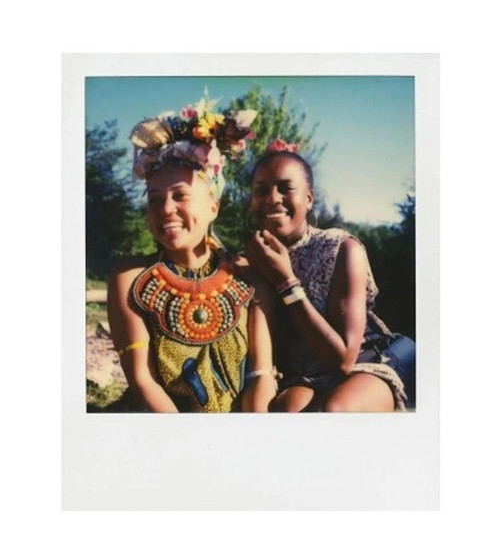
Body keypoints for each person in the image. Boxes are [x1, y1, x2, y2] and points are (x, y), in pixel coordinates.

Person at [107, 97, 276, 413]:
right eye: (155, 200)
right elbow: (144, 382)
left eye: (180, 195)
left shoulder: (248, 275)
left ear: (213, 207)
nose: (166, 209)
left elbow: (261, 375)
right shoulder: (129, 280)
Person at [246, 139, 415, 412]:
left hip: (360, 366)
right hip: (302, 376)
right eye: (261, 190)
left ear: (309, 199)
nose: (272, 198)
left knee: (337, 410)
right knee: (288, 408)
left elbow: (343, 360)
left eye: (285, 188)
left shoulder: (340, 248)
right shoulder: (251, 259)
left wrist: (285, 281)